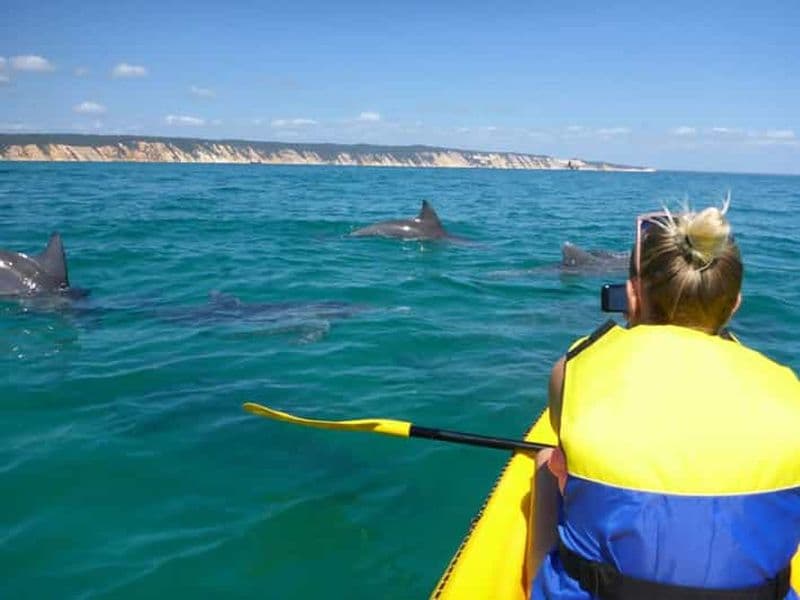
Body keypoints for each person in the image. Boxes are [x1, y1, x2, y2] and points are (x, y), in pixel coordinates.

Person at [530, 200, 800, 599]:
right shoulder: (787, 388)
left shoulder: (573, 369)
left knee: (546, 463)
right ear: (735, 304)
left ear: (632, 297)